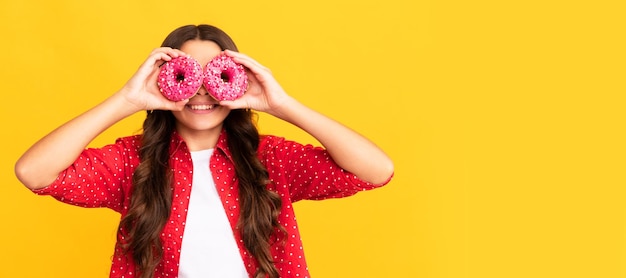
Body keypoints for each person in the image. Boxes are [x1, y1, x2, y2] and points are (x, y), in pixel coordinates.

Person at [14, 24, 394, 278]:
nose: (201, 90)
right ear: (165, 79)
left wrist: (282, 104)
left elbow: (375, 170)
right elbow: (34, 172)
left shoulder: (270, 159)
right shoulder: (134, 161)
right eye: (186, 74)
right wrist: (127, 99)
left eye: (216, 73)